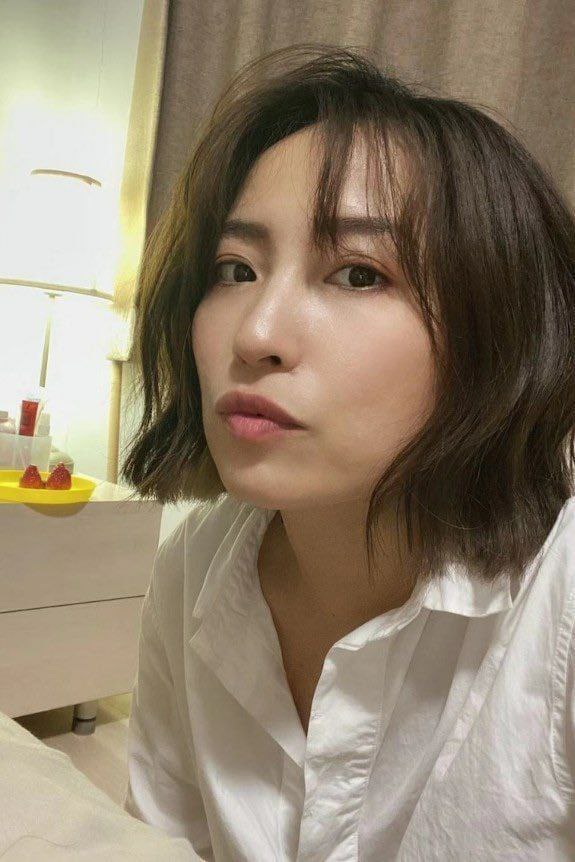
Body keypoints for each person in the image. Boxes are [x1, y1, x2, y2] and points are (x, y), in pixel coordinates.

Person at [120, 43, 575, 860]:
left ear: (498, 333)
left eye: (358, 275)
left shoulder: (560, 601)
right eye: (234, 269)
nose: (255, 333)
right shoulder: (197, 565)